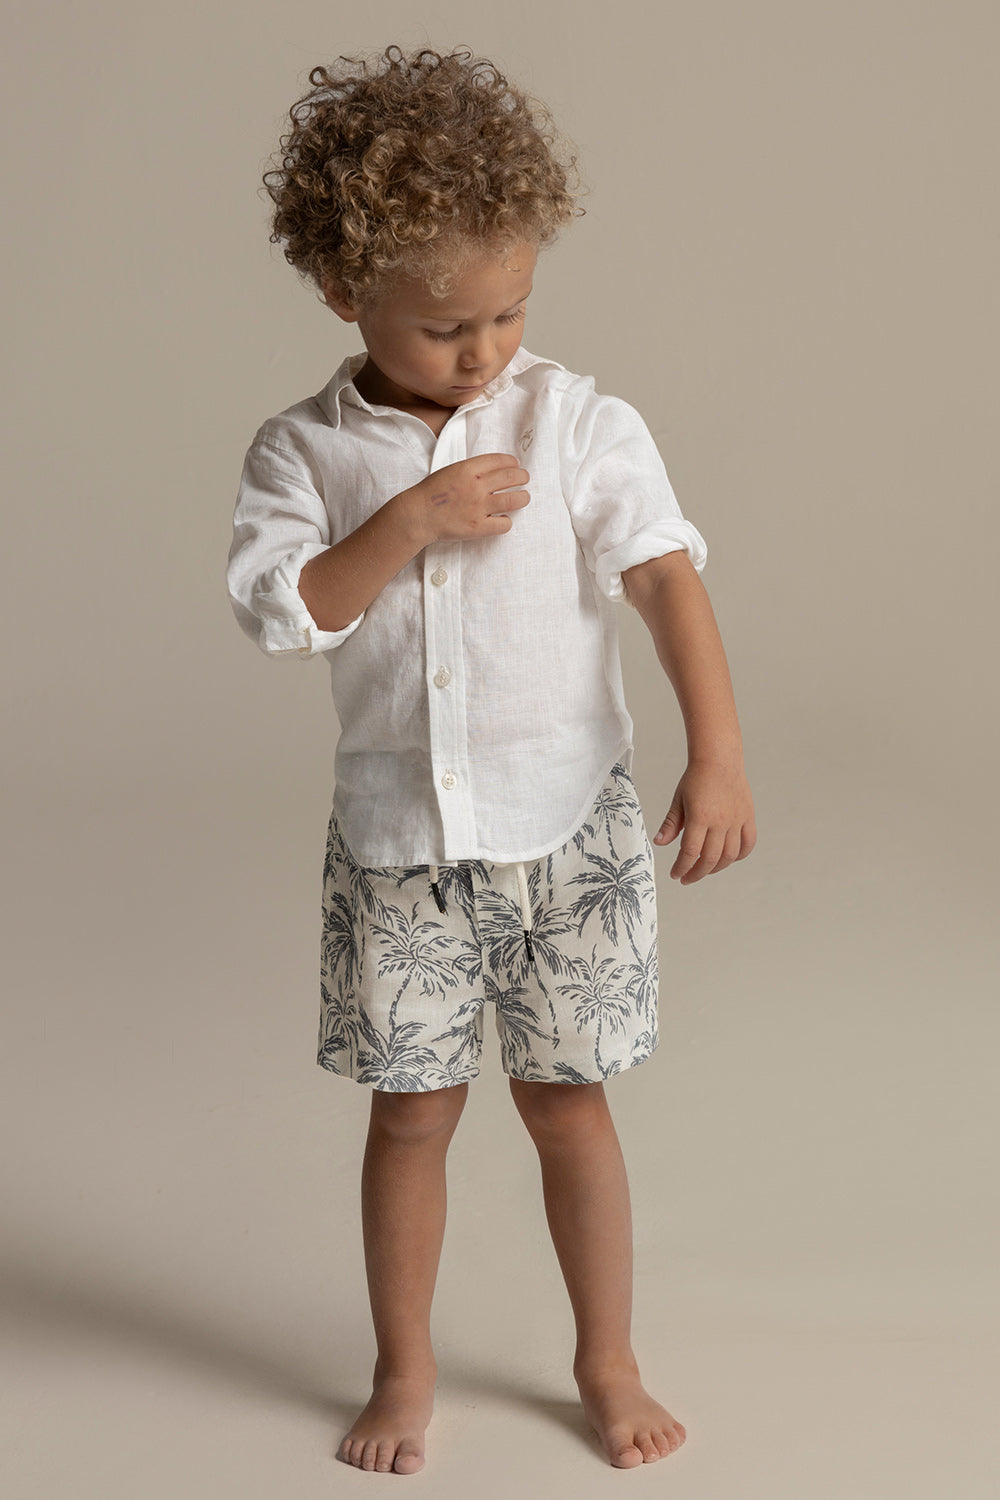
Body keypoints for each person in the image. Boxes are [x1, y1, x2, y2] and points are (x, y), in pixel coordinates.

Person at [226, 43, 756, 1476]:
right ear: (343, 292)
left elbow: (663, 576)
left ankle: (607, 1360)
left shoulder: (574, 421)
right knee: (411, 1117)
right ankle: (403, 1372)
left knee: (569, 1106)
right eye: (444, 326)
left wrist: (718, 754)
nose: (483, 353)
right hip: (400, 843)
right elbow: (286, 612)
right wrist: (407, 519)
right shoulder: (302, 452)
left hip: (569, 829)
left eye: (510, 311)